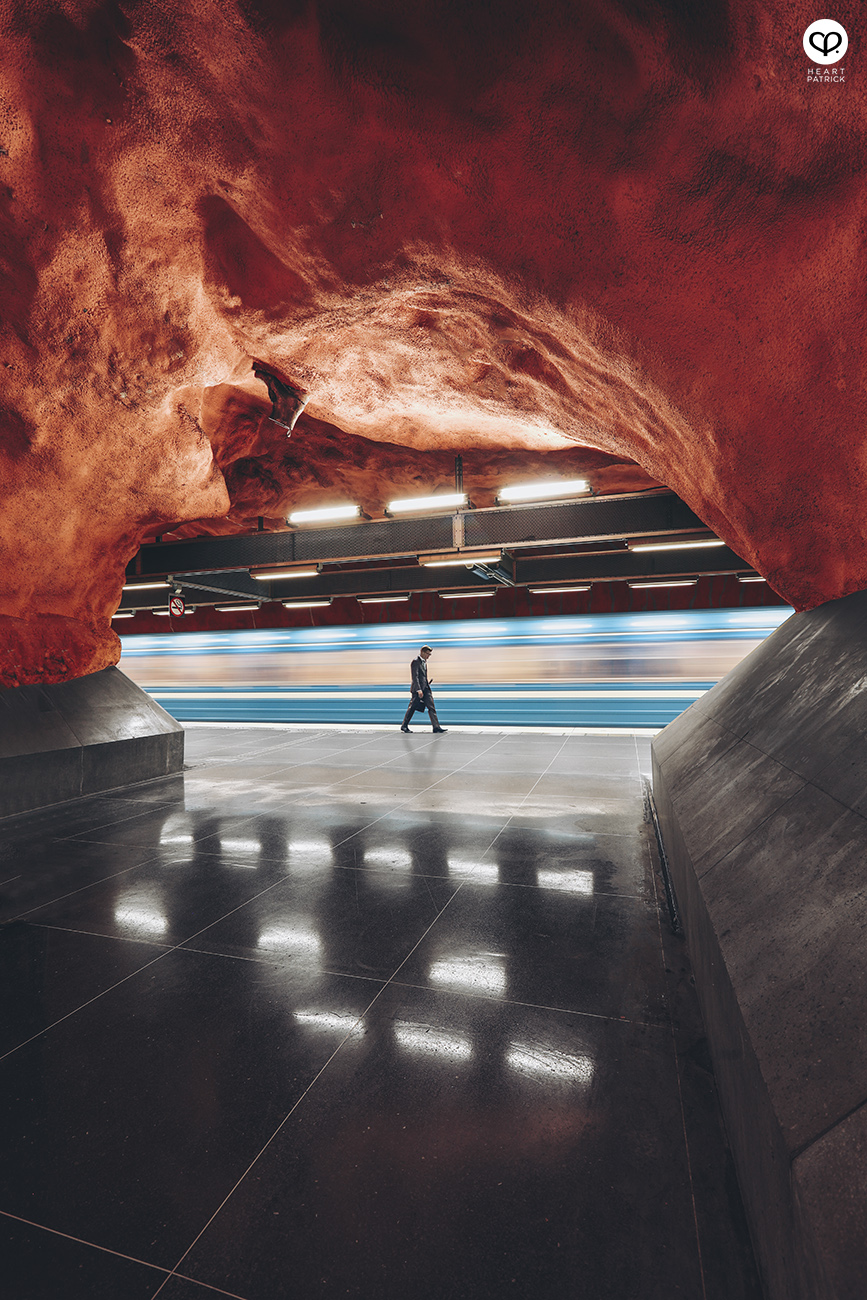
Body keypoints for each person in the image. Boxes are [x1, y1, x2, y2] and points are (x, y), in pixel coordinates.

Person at [401, 645, 447, 733]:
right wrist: (418, 689)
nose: (429, 656)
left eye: (430, 654)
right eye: (428, 654)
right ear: (422, 652)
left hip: (426, 688)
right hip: (418, 690)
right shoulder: (415, 662)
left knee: (431, 707)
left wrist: (426, 683)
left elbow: (423, 677)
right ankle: (404, 725)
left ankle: (436, 727)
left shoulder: (424, 662)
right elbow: (415, 677)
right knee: (412, 708)